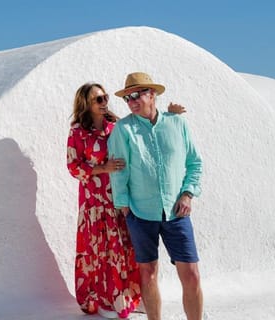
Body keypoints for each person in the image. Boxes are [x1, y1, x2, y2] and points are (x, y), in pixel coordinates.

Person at [66, 82, 185, 319]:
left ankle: (132, 296)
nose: (104, 103)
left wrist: (170, 115)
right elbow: (73, 166)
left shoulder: (116, 125)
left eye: (105, 97)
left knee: (128, 249)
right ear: (86, 105)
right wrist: (102, 168)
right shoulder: (78, 131)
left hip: (123, 199)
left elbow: (145, 136)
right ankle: (106, 300)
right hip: (96, 204)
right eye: (98, 99)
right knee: (102, 251)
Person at [108, 72, 203, 320]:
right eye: (127, 98)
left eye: (137, 95)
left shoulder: (177, 123)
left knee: (191, 274)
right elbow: (119, 170)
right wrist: (123, 205)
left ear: (153, 94)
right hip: (140, 212)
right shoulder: (123, 129)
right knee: (148, 273)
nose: (131, 101)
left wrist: (188, 194)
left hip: (176, 212)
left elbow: (194, 163)